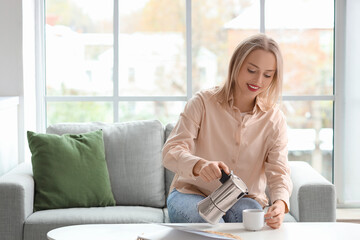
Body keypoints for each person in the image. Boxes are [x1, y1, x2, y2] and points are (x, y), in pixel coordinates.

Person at [162, 33, 293, 229]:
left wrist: (280, 204)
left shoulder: (274, 119)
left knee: (250, 223)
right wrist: (199, 165)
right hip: (191, 193)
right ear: (236, 65)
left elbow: (279, 171)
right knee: (210, 223)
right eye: (251, 70)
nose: (258, 80)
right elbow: (171, 152)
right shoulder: (202, 103)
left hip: (244, 198)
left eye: (268, 75)